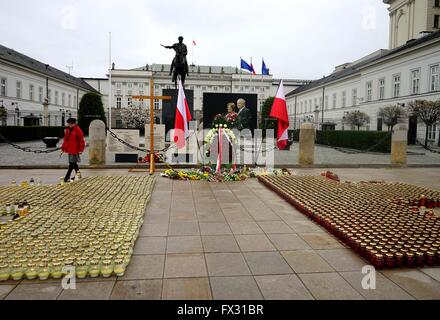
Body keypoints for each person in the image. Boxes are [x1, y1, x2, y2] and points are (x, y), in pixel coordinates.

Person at [61, 118, 85, 183]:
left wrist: (81, 149)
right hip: (69, 149)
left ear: (74, 123)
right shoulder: (68, 130)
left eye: (71, 124)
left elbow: (81, 141)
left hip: (75, 149)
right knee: (73, 163)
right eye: (69, 124)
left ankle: (67, 177)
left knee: (72, 163)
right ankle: (78, 175)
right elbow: (65, 140)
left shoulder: (78, 130)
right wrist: (63, 148)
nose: (70, 125)